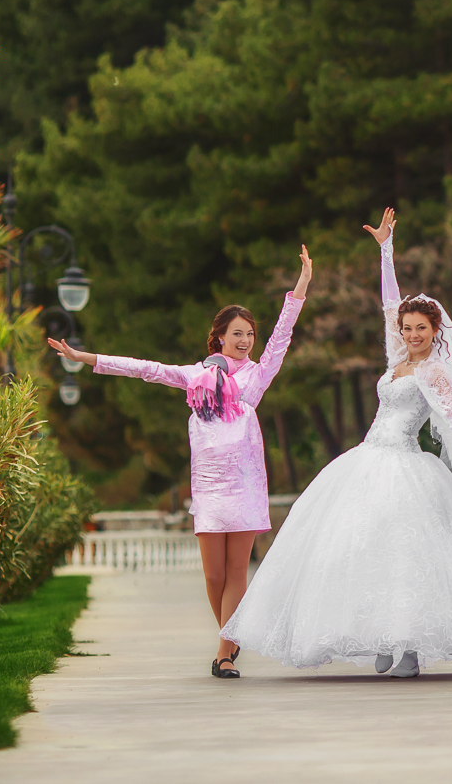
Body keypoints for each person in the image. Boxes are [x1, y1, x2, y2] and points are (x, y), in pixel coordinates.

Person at [221, 209, 452, 678]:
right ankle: (381, 639)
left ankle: (409, 645)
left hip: (407, 465)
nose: (410, 334)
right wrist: (385, 249)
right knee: (361, 550)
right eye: (407, 328)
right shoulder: (396, 360)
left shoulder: (435, 372)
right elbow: (389, 303)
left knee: (407, 555)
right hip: (366, 460)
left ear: (435, 333)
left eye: (419, 329)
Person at [48, 248, 312, 680]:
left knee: (236, 571)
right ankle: (232, 633)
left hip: (244, 483)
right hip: (209, 488)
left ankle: (224, 652)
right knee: (213, 576)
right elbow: (145, 369)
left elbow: (284, 333)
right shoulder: (194, 376)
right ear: (220, 337)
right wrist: (87, 359)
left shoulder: (258, 374)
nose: (246, 340)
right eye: (237, 333)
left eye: (249, 333)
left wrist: (301, 285)